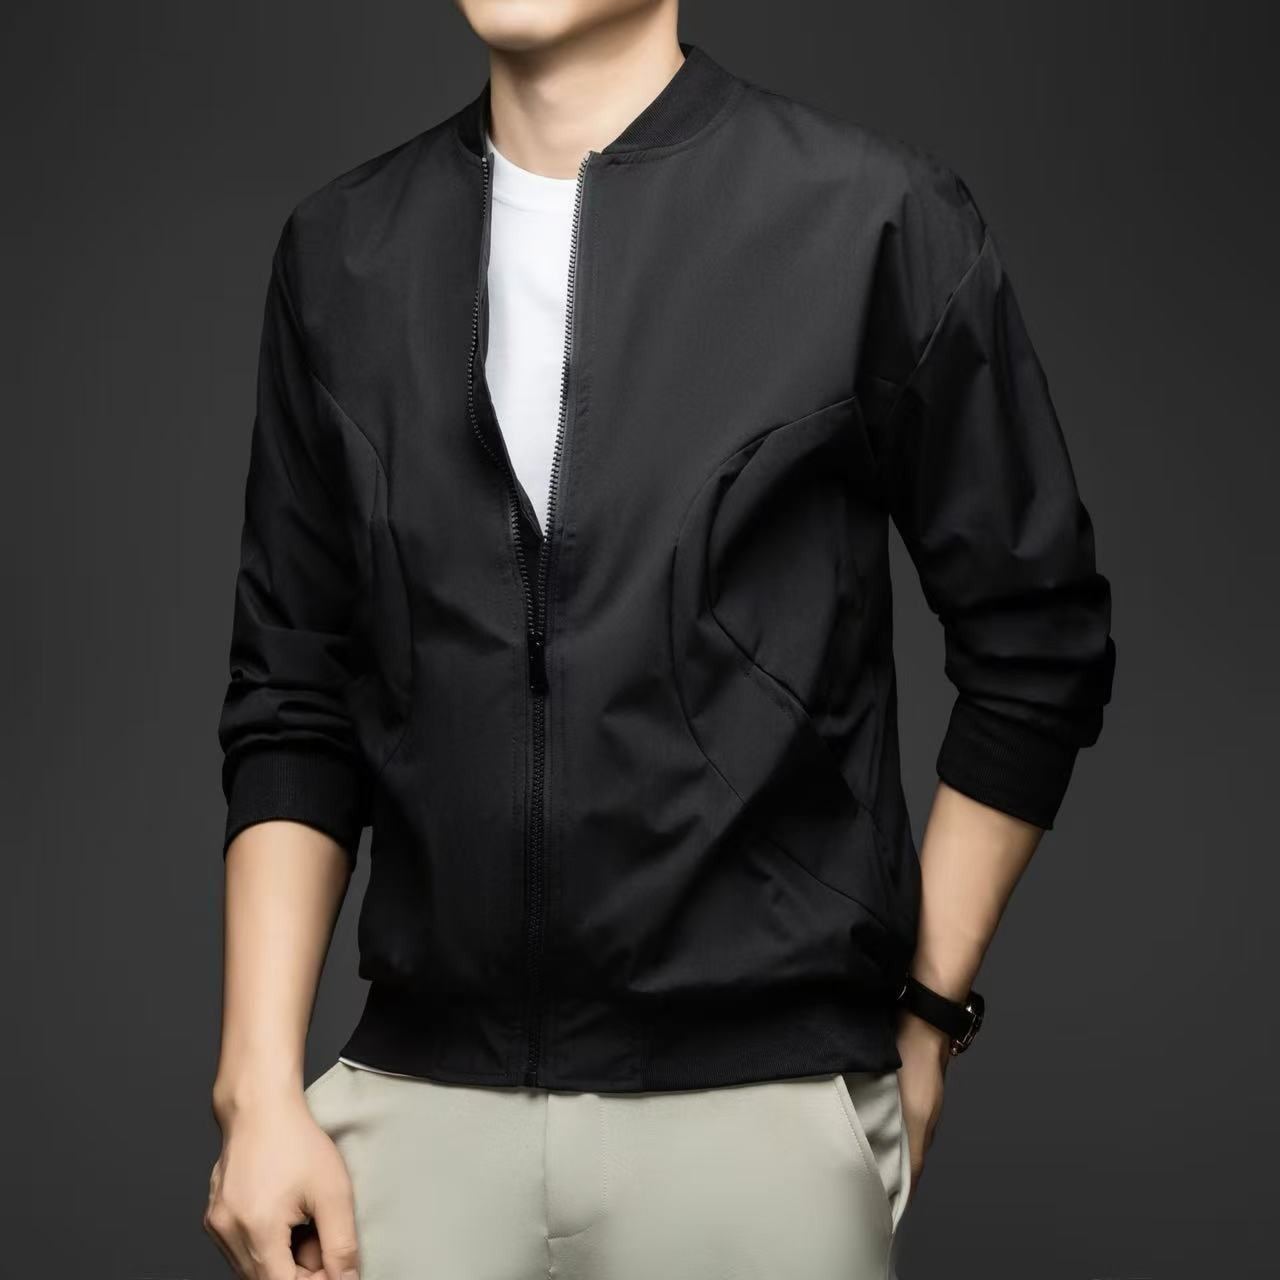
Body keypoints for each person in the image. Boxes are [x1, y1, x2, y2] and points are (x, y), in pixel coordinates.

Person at [204, 2, 1116, 1277]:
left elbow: (1038, 639)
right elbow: (293, 694)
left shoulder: (869, 222)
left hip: (755, 1127)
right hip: (411, 1128)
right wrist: (257, 1085)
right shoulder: (341, 255)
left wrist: (923, 1012)